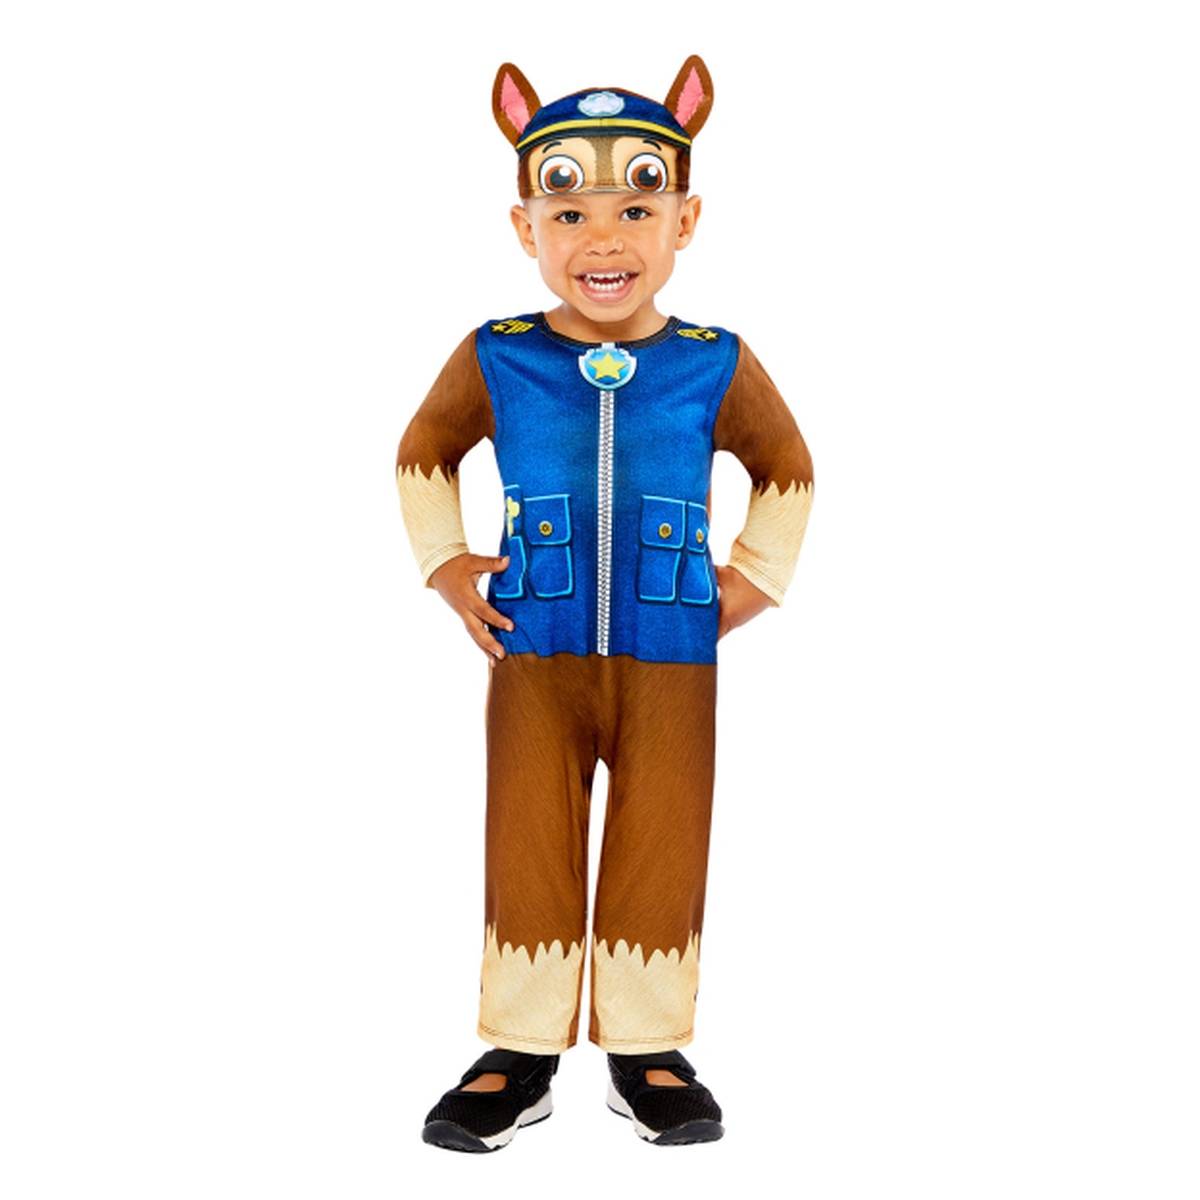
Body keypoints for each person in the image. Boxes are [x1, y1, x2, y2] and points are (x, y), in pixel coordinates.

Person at [396, 55, 814, 1151]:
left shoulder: (713, 363)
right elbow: (424, 453)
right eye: (569, 212)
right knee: (526, 836)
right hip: (532, 646)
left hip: (673, 649)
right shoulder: (500, 356)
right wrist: (446, 565)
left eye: (637, 209)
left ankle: (648, 1048)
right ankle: (519, 1049)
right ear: (525, 226)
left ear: (685, 222)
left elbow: (787, 469)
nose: (603, 239)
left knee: (663, 837)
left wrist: (751, 582)